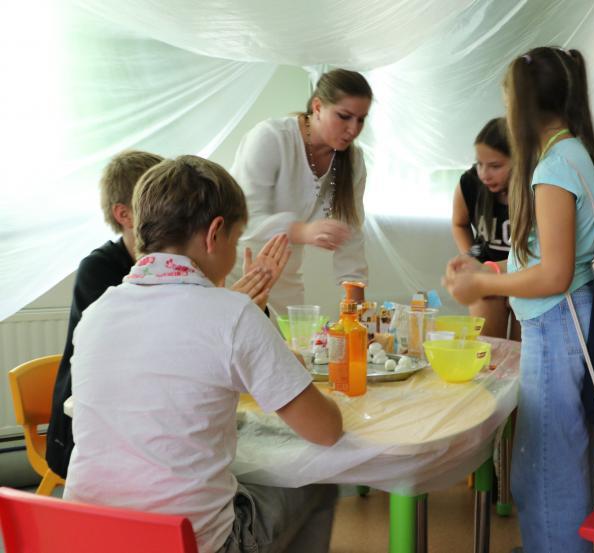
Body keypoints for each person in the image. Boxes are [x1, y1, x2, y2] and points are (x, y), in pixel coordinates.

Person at [63, 155, 343, 553]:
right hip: (188, 544)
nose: (235, 253)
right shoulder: (232, 314)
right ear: (214, 234)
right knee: (315, 482)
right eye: (236, 239)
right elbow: (325, 430)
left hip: (84, 538)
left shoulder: (97, 313)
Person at [443, 46, 594, 553]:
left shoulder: (553, 166)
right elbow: (551, 260)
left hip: (557, 326)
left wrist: (484, 287)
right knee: (553, 458)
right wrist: (491, 270)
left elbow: (555, 274)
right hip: (566, 321)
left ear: (524, 105)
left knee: (548, 467)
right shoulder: (573, 152)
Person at [45, 151, 286, 480]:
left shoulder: (196, 264)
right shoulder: (102, 274)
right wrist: (232, 307)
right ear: (125, 214)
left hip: (154, 427)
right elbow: (164, 354)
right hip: (95, 435)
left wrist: (246, 304)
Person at [231, 68, 373, 313]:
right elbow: (243, 217)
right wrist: (302, 231)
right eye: (344, 116)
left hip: (286, 277)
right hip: (238, 271)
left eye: (361, 119)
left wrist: (357, 306)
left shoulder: (354, 161)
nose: (353, 129)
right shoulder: (271, 137)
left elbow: (351, 232)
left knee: (296, 338)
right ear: (317, 107)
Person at [450, 117, 520, 339]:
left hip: (526, 277)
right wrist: (471, 258)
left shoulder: (538, 187)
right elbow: (459, 223)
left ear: (519, 160)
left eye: (495, 166)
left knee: (523, 352)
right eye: (479, 163)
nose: (484, 174)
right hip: (487, 275)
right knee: (487, 348)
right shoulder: (470, 183)